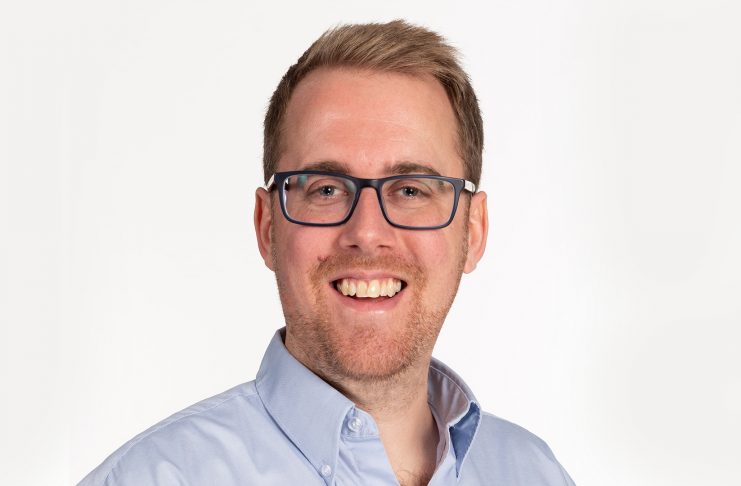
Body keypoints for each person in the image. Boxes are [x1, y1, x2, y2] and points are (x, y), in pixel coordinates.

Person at [79, 20, 575, 486]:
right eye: (326, 189)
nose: (368, 232)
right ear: (267, 226)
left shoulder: (534, 474)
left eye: (411, 190)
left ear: (474, 230)